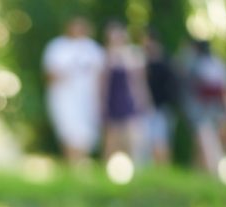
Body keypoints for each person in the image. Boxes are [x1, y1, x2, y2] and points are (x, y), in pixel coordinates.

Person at [42, 17, 105, 165]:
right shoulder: (57, 47)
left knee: (86, 134)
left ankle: (80, 164)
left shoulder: (93, 49)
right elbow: (49, 75)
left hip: (87, 100)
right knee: (69, 132)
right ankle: (71, 163)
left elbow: (101, 77)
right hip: (64, 100)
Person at [101, 21, 150, 164]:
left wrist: (143, 101)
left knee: (133, 138)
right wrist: (101, 104)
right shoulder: (105, 56)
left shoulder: (134, 55)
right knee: (111, 139)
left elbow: (139, 82)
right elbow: (102, 85)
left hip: (129, 101)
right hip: (112, 101)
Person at [183, 40, 226, 174]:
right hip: (208, 111)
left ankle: (211, 170)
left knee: (206, 142)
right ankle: (202, 172)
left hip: (205, 111)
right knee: (204, 143)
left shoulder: (197, 65)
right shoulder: (218, 65)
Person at [142, 29, 177, 165]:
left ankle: (163, 165)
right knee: (149, 140)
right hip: (148, 107)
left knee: (161, 139)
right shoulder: (144, 60)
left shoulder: (165, 61)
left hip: (161, 106)